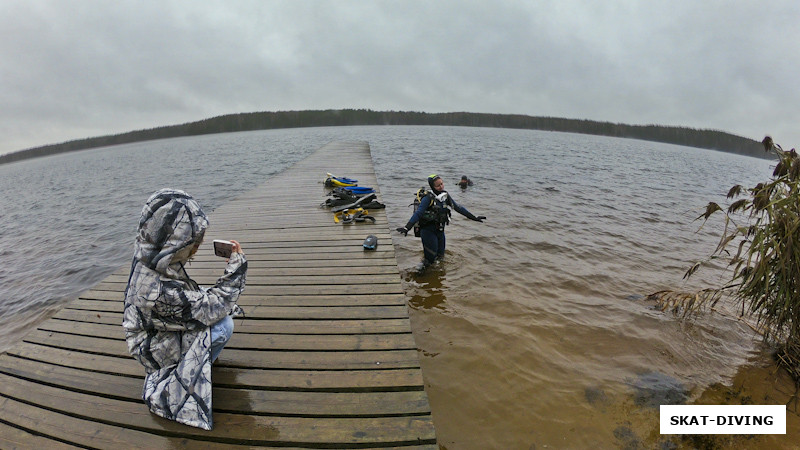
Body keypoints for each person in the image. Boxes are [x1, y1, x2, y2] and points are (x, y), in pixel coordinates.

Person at [123, 188, 247, 430]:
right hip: (151, 348)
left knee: (203, 302)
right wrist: (236, 267)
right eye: (192, 240)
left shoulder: (149, 255)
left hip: (151, 330)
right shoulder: (156, 291)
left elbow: (187, 301)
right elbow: (214, 307)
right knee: (222, 326)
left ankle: (191, 359)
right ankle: (174, 376)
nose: (196, 245)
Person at [396, 174, 486, 267]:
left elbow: (458, 208)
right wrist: (407, 227)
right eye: (438, 185)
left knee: (440, 258)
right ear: (432, 186)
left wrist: (474, 217)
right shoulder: (428, 198)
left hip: (440, 231)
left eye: (442, 184)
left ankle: (435, 276)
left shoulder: (445, 196)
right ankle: (419, 275)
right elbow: (418, 213)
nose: (441, 186)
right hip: (428, 231)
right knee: (429, 260)